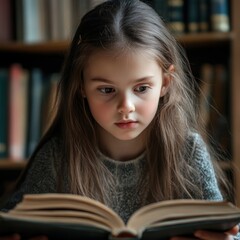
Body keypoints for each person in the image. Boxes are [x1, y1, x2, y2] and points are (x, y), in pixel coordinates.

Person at [0, 0, 239, 239]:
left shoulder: (188, 152)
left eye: (142, 88)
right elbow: (10, 227)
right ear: (81, 86)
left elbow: (227, 230)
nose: (126, 107)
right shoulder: (57, 157)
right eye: (106, 90)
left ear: (165, 83)